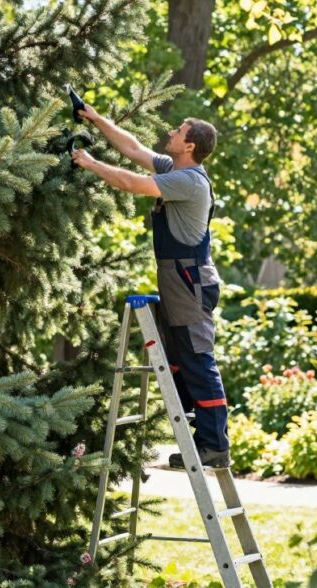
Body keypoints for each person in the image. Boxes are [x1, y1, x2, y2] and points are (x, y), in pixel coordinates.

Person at [71, 103, 230, 469]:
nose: (171, 132)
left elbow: (132, 182)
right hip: (179, 280)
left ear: (190, 146)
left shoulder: (188, 181)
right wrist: (95, 118)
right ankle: (201, 442)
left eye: (179, 130)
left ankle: (215, 446)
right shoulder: (175, 168)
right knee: (182, 361)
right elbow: (133, 149)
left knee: (198, 360)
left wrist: (91, 163)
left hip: (189, 282)